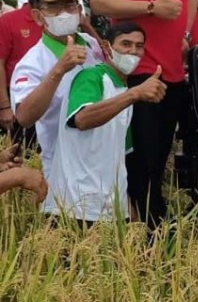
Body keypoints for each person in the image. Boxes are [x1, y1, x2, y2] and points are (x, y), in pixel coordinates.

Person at [89, 0, 198, 227]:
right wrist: (150, 8)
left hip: (174, 71)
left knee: (162, 154)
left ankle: (154, 221)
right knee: (141, 158)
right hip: (136, 69)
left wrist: (185, 33)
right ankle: (145, 228)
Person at [46, 23, 166, 226]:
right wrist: (134, 94)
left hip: (110, 209)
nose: (133, 52)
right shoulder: (91, 77)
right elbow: (82, 119)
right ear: (106, 46)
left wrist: (127, 205)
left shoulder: (125, 93)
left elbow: (118, 157)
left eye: (139, 46)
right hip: (74, 205)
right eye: (126, 44)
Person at [10, 0, 105, 181]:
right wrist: (58, 69)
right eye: (53, 7)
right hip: (63, 165)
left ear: (79, 10)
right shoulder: (33, 61)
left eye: (70, 5)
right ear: (37, 16)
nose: (63, 13)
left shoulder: (90, 44)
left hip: (101, 158)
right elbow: (24, 117)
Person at [0, 0, 48, 139]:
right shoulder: (9, 20)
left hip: (51, 97)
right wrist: (4, 106)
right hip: (19, 97)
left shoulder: (56, 20)